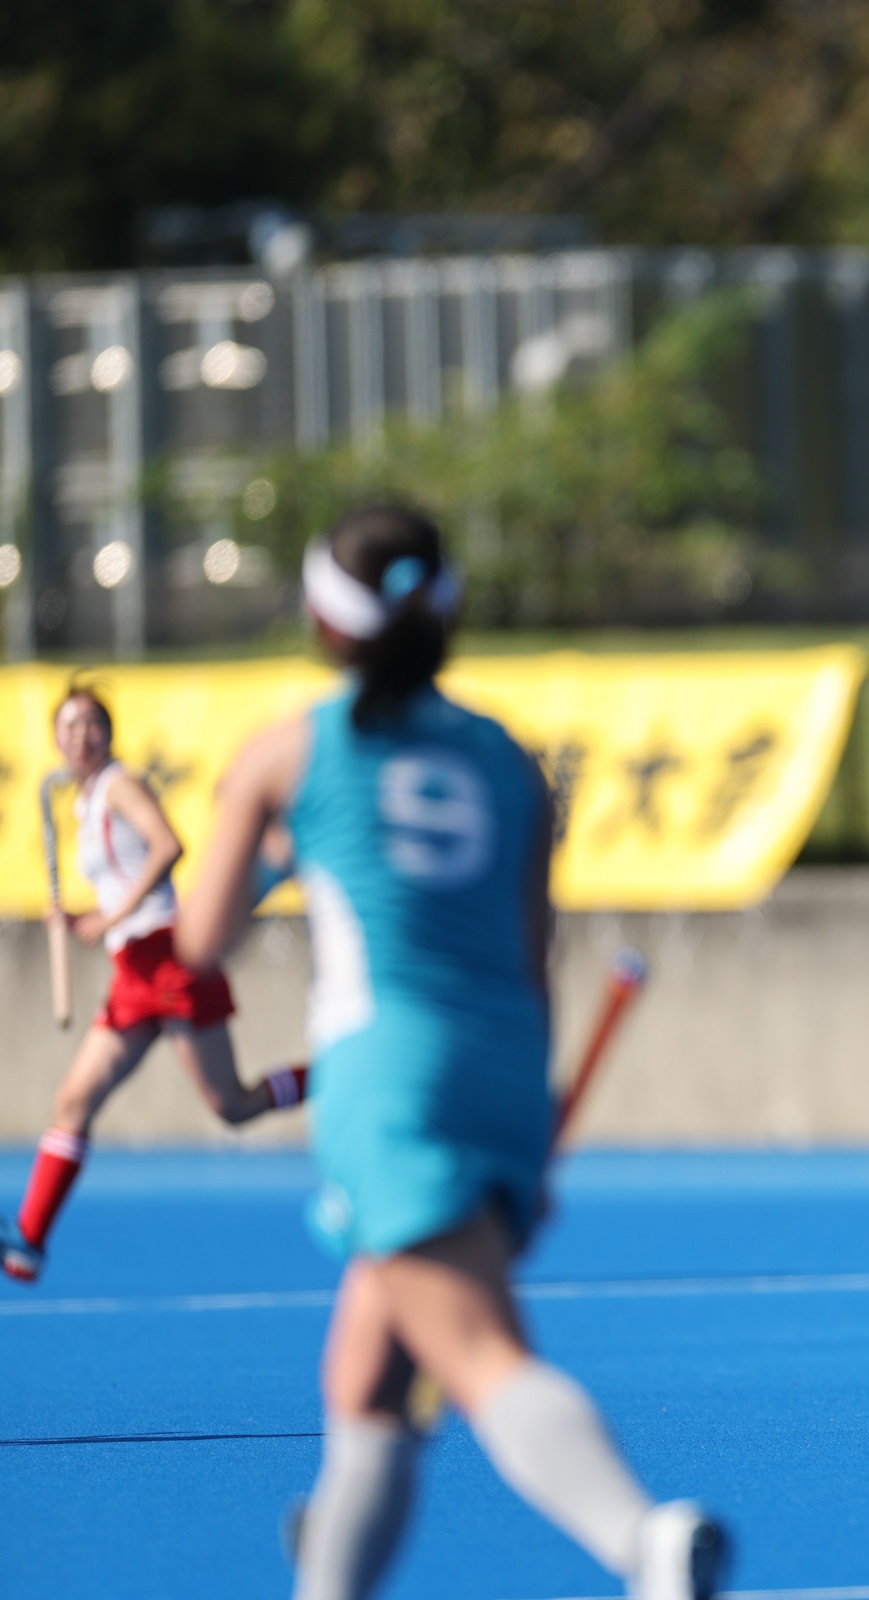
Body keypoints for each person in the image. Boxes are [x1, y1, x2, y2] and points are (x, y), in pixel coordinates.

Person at [177, 506, 724, 1600]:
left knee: (479, 1356)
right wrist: (526, 1134)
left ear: (324, 624)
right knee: (368, 1387)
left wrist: (280, 852)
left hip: (384, 1078)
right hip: (502, 1069)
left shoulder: (289, 752)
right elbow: (531, 960)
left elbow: (197, 942)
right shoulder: (510, 761)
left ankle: (645, 1542)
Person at [1, 683, 307, 1285]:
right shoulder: (86, 803)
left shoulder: (120, 784)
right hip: (132, 969)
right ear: (55, 740)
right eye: (69, 727)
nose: (81, 736)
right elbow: (121, 882)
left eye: (92, 724)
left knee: (233, 1106)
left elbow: (169, 846)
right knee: (73, 1103)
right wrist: (88, 917)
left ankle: (337, 1075)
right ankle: (29, 1241)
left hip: (167, 955)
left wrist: (109, 917)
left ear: (110, 734)